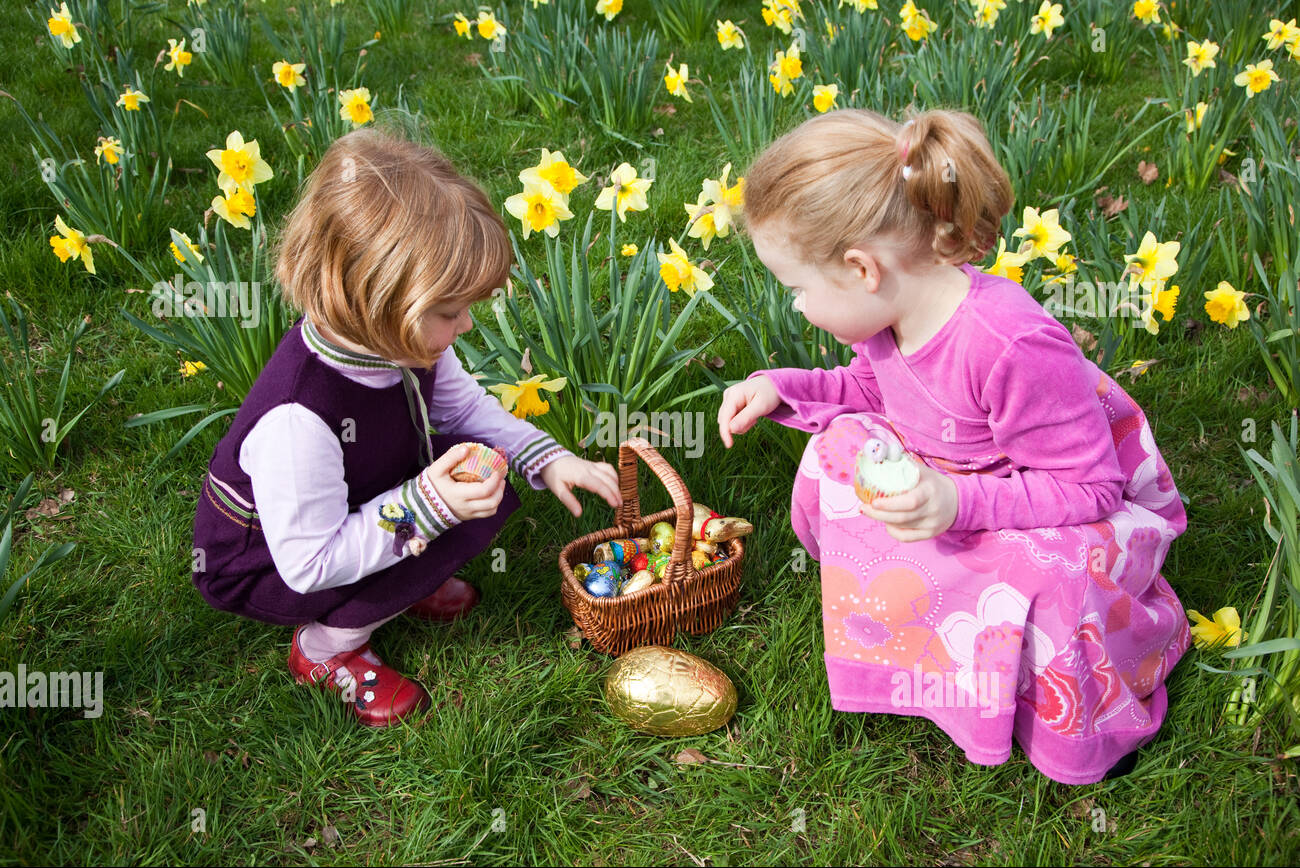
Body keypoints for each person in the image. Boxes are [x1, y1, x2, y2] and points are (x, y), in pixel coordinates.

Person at [716, 108, 1190, 784]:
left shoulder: (1008, 344)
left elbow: (1092, 489)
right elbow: (873, 396)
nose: (795, 306)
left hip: (1062, 511)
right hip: (958, 487)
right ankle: (928, 649)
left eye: (797, 289)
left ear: (861, 268)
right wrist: (778, 387)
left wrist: (956, 501)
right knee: (835, 456)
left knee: (1053, 580)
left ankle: (1067, 716)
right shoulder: (888, 321)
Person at [192, 127, 621, 727]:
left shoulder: (400, 344)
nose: (467, 326)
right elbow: (311, 562)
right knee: (431, 519)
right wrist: (427, 506)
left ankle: (405, 581)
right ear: (377, 303)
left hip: (353, 499)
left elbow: (467, 410)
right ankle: (325, 649)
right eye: (450, 312)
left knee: (481, 468)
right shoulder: (299, 420)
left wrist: (548, 459)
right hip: (272, 563)